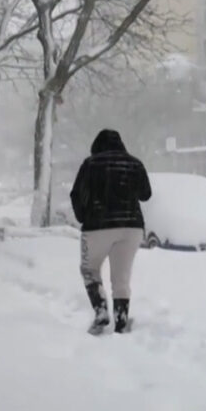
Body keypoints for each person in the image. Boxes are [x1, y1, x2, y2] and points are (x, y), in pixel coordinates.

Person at [69, 129, 152, 334]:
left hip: (97, 227)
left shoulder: (90, 164)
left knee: (89, 269)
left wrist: (83, 216)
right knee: (121, 278)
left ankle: (101, 310)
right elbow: (146, 194)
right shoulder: (134, 163)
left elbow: (76, 194)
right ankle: (121, 322)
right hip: (131, 227)